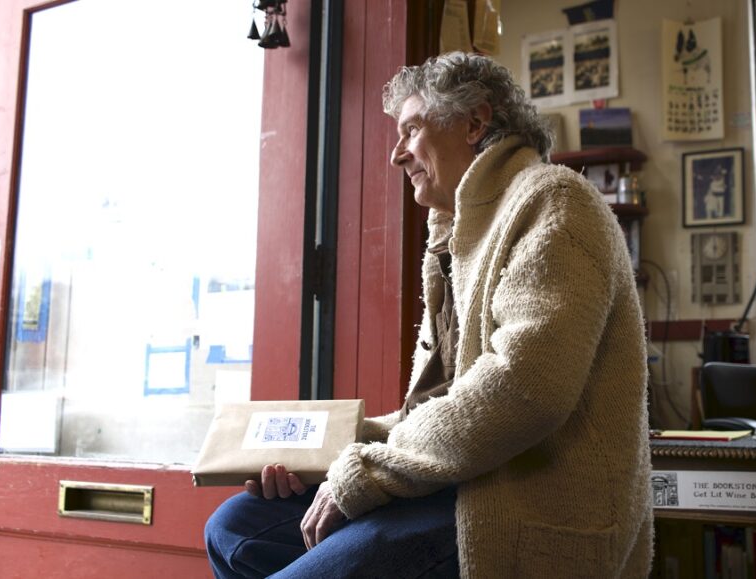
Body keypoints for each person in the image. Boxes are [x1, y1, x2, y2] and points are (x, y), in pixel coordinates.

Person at [205, 51, 653, 579]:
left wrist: (362, 472)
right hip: (456, 484)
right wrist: (324, 457)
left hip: (516, 506)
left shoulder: (555, 201)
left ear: (475, 121)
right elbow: (439, 404)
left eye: (411, 129)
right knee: (232, 526)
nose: (397, 155)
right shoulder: (452, 236)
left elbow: (524, 388)